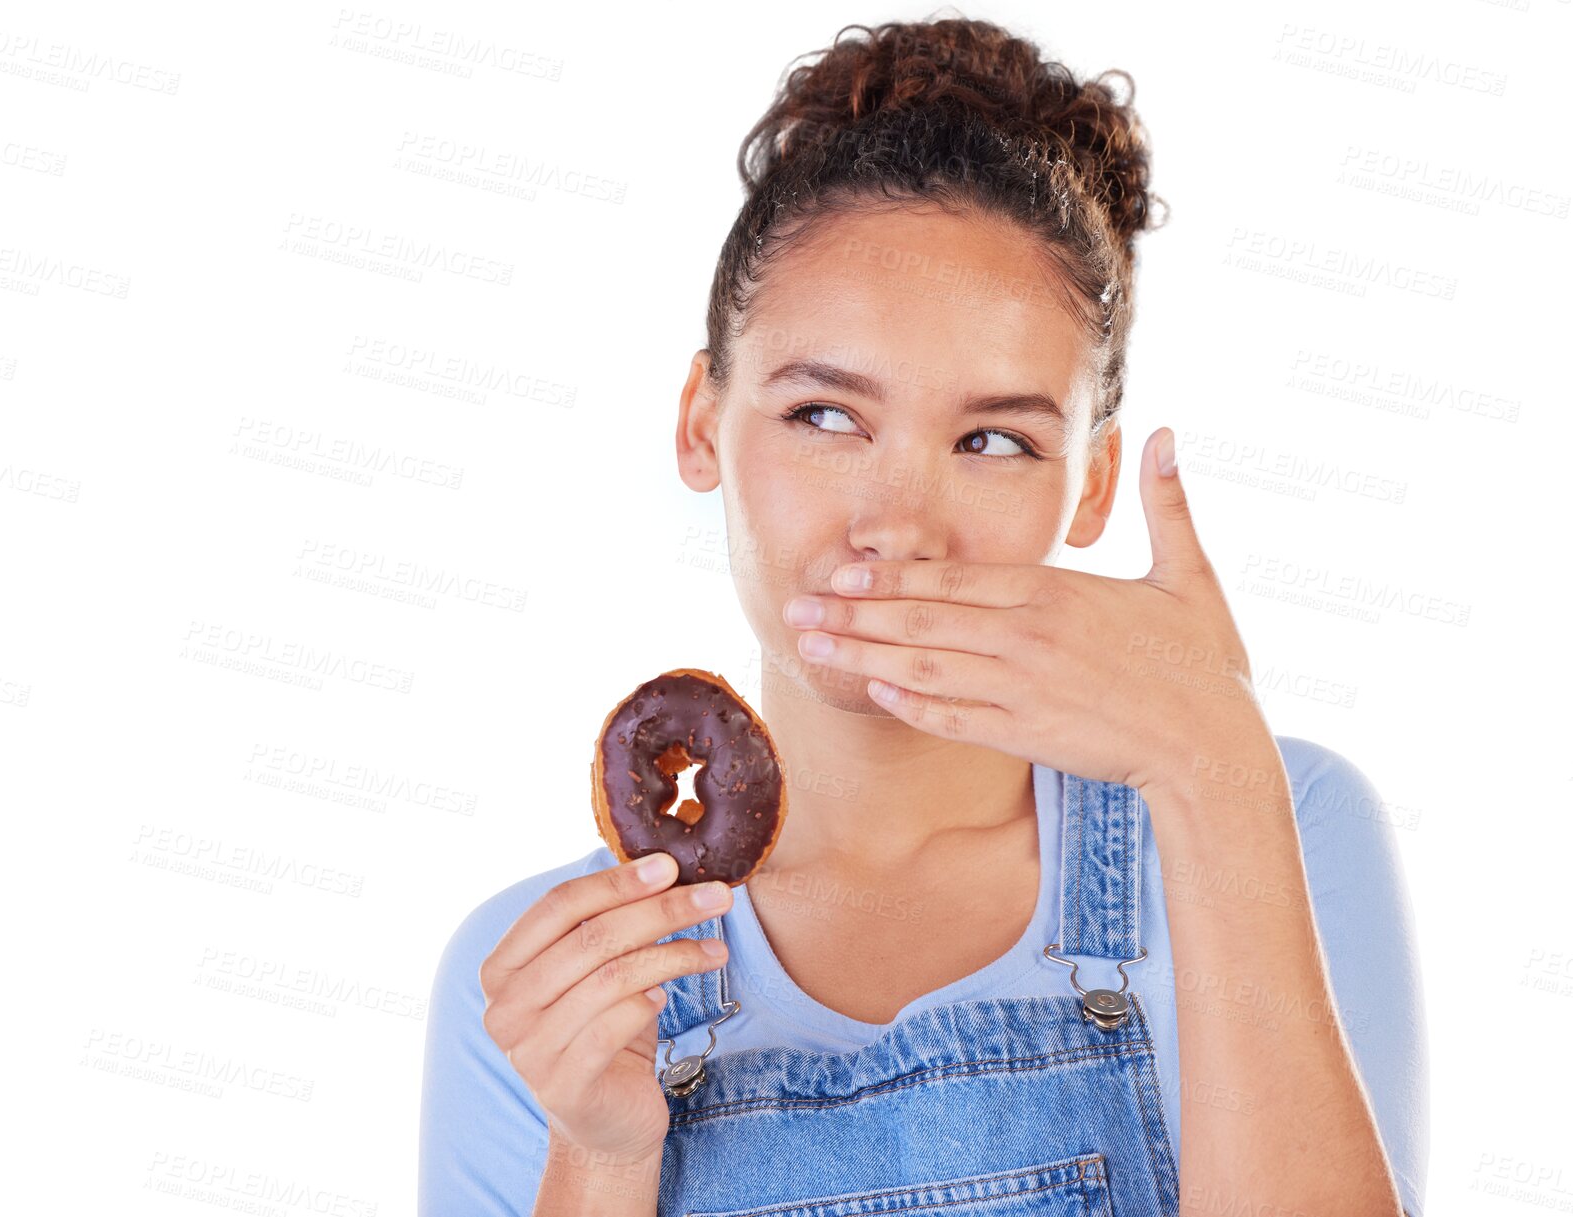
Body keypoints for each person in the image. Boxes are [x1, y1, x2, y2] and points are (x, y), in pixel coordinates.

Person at [419, 16, 1428, 1217]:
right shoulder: (545, 977)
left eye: (992, 439)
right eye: (826, 416)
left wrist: (1212, 769)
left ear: (1092, 482)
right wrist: (599, 1151)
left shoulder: (1284, 820)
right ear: (701, 421)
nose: (899, 526)